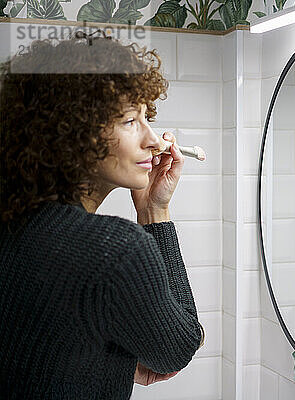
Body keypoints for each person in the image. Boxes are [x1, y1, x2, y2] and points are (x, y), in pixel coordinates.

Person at [0, 33, 204, 399]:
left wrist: (112, 362)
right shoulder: (116, 252)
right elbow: (180, 345)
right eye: (130, 121)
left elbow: (39, 353)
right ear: (71, 133)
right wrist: (155, 212)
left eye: (147, 117)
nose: (155, 141)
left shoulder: (15, 224)